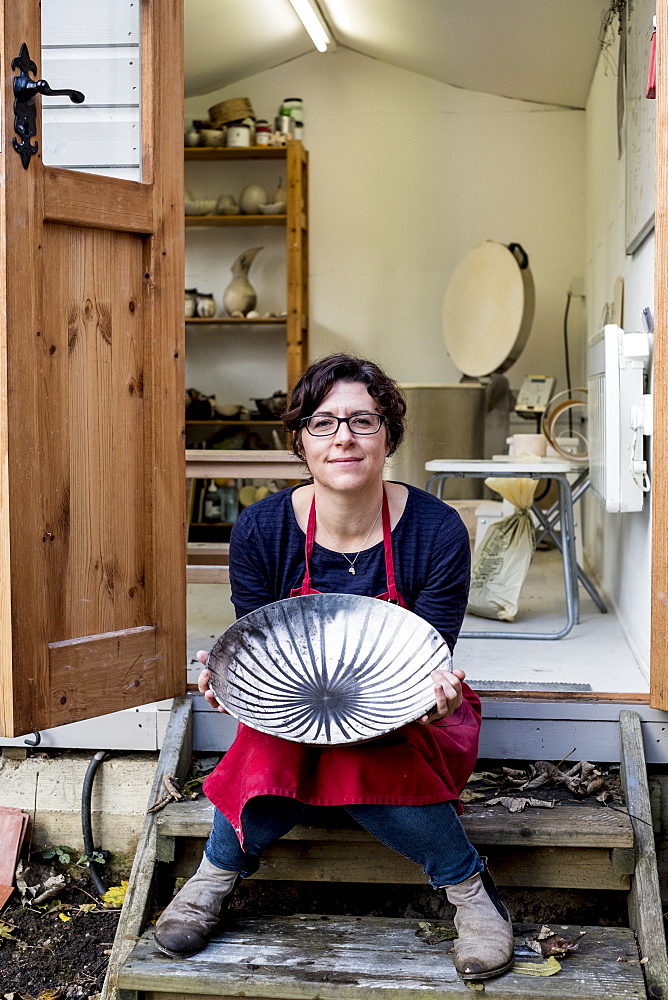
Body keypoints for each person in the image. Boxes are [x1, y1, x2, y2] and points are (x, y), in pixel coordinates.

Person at [155, 354, 514, 980]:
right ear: (300, 439)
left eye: (362, 421)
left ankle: (215, 874)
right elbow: (262, 645)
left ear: (389, 435)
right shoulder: (263, 529)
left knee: (355, 746)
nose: (343, 437)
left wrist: (438, 694)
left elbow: (427, 657)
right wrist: (230, 677)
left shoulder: (436, 530)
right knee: (289, 734)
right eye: (323, 423)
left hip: (408, 717)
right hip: (296, 713)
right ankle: (471, 891)